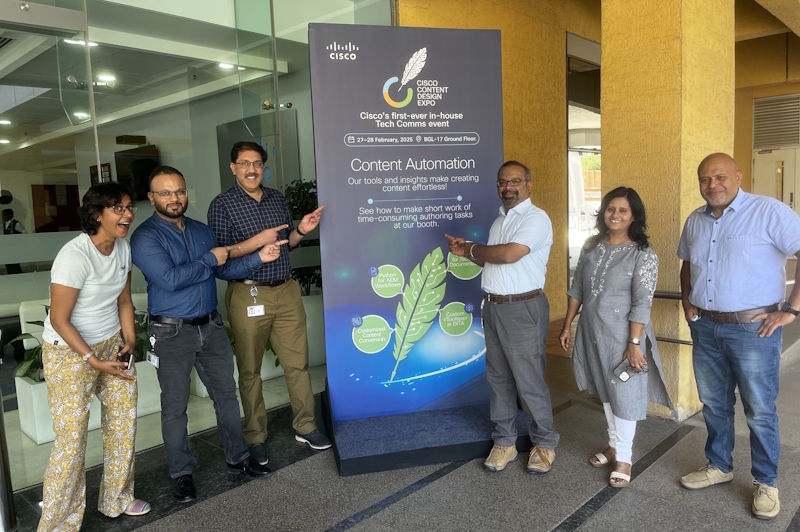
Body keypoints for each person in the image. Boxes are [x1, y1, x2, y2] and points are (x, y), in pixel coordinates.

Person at [131, 166, 284, 503]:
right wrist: (208, 259)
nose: (174, 198)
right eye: (166, 193)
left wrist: (258, 258)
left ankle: (238, 457)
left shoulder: (201, 230)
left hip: (211, 326)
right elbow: (169, 279)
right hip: (171, 331)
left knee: (226, 395)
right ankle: (182, 474)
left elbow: (223, 268)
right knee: (175, 407)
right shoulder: (145, 238)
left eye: (179, 191)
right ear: (152, 198)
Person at [678, 152, 800, 520]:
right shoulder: (695, 220)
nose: (712, 184)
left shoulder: (768, 211)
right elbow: (688, 265)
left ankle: (766, 482)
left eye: (720, 177)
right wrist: (688, 303)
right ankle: (719, 465)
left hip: (753, 329)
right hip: (706, 326)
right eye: (704, 179)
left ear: (738, 176)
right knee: (714, 403)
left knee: (759, 409)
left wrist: (792, 310)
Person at [207, 141, 331, 460]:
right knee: (249, 370)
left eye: (257, 163)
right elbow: (221, 259)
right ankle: (255, 435)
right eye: (244, 163)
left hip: (286, 290)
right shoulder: (222, 205)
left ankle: (306, 426)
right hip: (247, 293)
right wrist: (258, 243)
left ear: (264, 167)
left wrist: (301, 230)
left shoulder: (276, 198)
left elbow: (288, 243)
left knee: (297, 364)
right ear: (233, 167)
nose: (252, 169)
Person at [38, 183, 149, 531]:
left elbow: (124, 300)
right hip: (68, 352)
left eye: (129, 207)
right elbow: (60, 319)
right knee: (71, 442)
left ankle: (117, 499)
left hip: (110, 343)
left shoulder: (122, 248)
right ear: (97, 215)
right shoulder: (74, 256)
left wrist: (129, 338)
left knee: (123, 421)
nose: (127, 215)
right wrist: (91, 359)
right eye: (118, 208)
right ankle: (58, 524)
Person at [445, 160, 559, 474]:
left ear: (528, 184)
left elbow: (509, 255)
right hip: (493, 307)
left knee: (528, 380)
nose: (508, 187)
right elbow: (493, 260)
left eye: (515, 181)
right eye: (502, 182)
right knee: (498, 379)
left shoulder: (537, 218)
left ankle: (544, 443)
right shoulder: (499, 221)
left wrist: (473, 249)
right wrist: (468, 251)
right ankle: (505, 441)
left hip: (522, 308)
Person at [558, 186, 672, 488]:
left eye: (623, 210)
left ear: (634, 216)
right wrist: (567, 325)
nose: (615, 215)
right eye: (611, 208)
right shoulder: (591, 246)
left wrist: (634, 344)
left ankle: (624, 458)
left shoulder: (643, 254)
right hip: (593, 332)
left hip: (624, 336)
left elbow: (642, 302)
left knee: (624, 394)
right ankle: (613, 445)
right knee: (606, 392)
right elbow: (577, 290)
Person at [3, 208, 24, 274]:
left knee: (14, 263)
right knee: (8, 262)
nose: (3, 217)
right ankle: (11, 274)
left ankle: (18, 275)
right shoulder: (4, 224)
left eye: (5, 215)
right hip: (8, 247)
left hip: (14, 247)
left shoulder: (16, 223)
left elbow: (23, 233)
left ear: (10, 215)